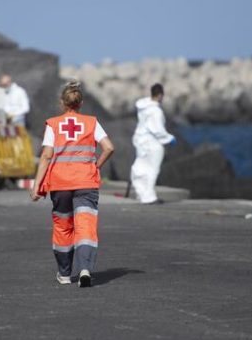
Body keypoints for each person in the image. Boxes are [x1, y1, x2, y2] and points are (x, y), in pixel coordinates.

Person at [30, 81, 114, 287]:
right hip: (86, 182)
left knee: (63, 227)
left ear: (62, 103)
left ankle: (65, 274)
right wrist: (96, 165)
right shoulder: (91, 122)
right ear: (81, 103)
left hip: (60, 184)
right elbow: (109, 147)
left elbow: (46, 156)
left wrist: (36, 185)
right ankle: (85, 268)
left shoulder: (53, 124)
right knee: (85, 226)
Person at [130, 83, 176, 204]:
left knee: (140, 167)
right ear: (160, 95)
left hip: (140, 140)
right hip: (151, 142)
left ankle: (141, 194)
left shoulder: (143, 107)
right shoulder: (155, 111)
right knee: (152, 169)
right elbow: (158, 130)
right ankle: (149, 197)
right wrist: (169, 138)